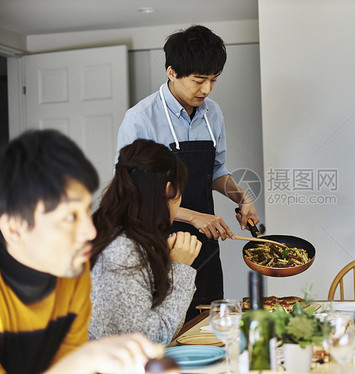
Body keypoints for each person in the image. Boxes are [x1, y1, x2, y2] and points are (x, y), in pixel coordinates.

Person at [116, 24, 259, 320]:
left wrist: (242, 198)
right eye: (199, 80)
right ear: (171, 72)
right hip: (157, 243)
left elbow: (216, 170)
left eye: (213, 80)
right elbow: (132, 193)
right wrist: (193, 216)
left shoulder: (213, 113)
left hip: (204, 244)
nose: (206, 89)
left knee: (206, 324)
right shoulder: (141, 119)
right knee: (165, 329)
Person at [0, 130, 160, 373]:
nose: (90, 232)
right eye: (70, 217)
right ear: (15, 229)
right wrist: (85, 359)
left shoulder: (72, 272)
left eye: (87, 210)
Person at [89, 139, 202, 345]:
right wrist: (179, 269)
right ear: (169, 190)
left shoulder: (124, 236)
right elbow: (152, 340)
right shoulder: (123, 252)